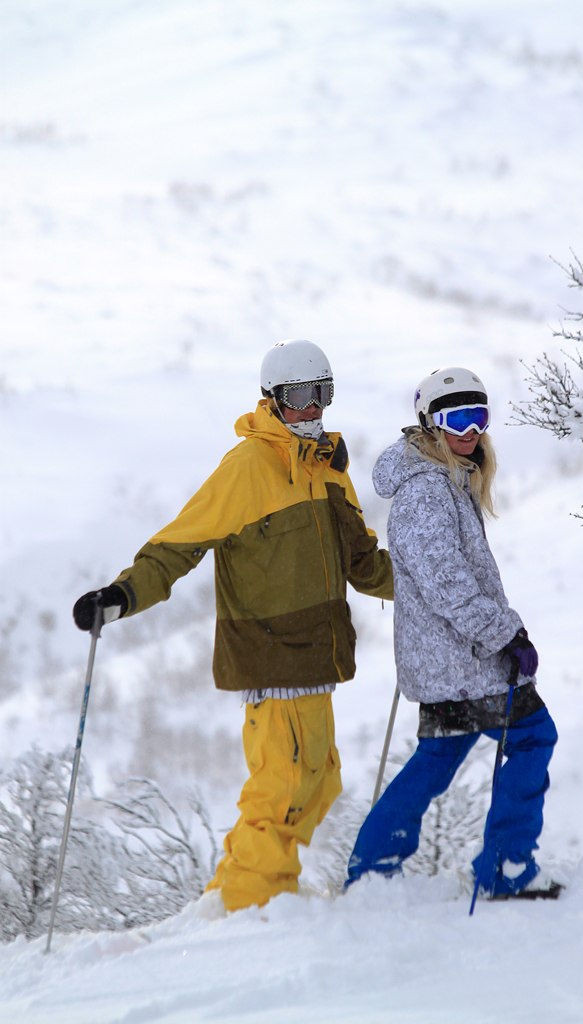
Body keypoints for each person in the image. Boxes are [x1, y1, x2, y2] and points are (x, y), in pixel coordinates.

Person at [73, 339, 393, 912]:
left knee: (317, 787)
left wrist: (425, 584)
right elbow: (180, 544)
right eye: (300, 398)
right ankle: (252, 910)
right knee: (282, 794)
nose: (313, 410)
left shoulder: (328, 473)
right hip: (272, 660)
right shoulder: (247, 468)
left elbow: (365, 567)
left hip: (318, 662)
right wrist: (122, 596)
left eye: (323, 395)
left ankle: (238, 899)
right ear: (272, 400)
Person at [345, 366, 560, 900]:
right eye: (455, 417)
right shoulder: (426, 493)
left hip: (450, 660)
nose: (469, 430)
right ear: (429, 424)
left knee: (438, 759)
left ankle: (372, 871)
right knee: (534, 738)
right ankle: (507, 867)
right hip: (462, 660)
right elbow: (449, 585)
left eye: (478, 417)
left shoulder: (447, 481)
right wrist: (504, 637)